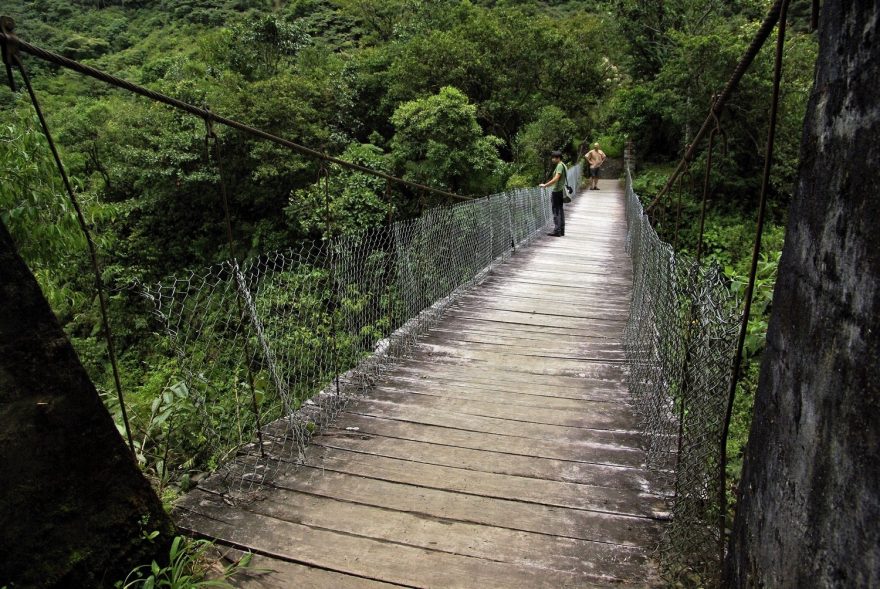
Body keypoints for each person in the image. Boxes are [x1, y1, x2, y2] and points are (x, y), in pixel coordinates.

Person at [539, 150, 567, 237]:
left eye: (553, 158)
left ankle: (557, 230)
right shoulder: (563, 165)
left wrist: (545, 185)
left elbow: (556, 179)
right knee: (560, 210)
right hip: (561, 190)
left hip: (557, 191)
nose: (552, 159)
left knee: (556, 211)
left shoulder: (559, 166)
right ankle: (561, 230)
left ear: (558, 158)